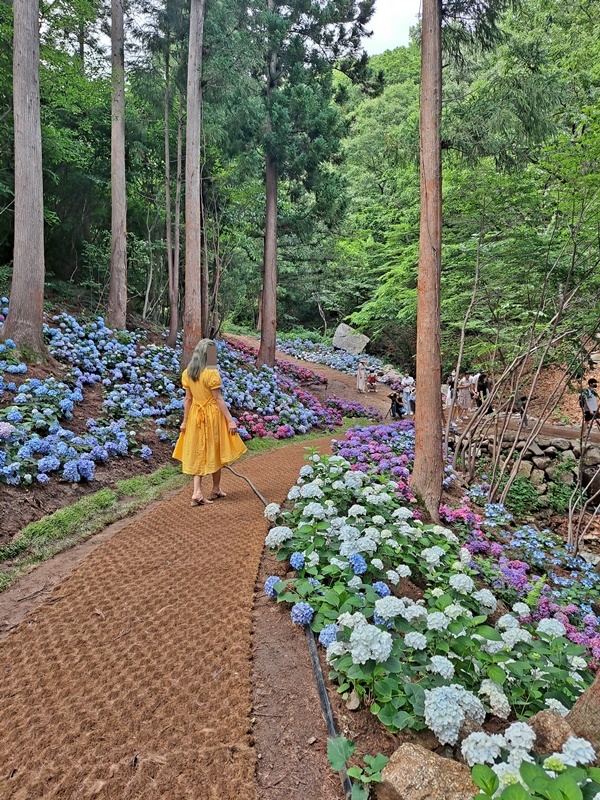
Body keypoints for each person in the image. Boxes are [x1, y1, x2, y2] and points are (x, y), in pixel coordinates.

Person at [173, 338, 247, 506]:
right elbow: (218, 399)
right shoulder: (211, 373)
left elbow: (187, 399)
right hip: (212, 415)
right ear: (209, 355)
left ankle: (211, 489)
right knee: (213, 448)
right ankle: (201, 491)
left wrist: (184, 422)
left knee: (198, 448)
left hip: (194, 415)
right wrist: (230, 421)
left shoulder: (188, 373)